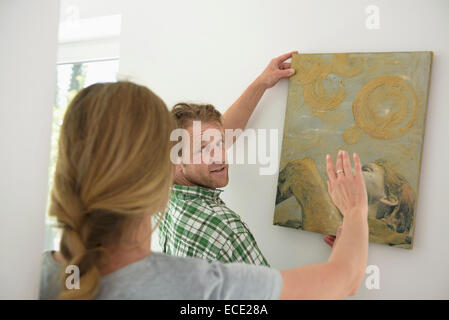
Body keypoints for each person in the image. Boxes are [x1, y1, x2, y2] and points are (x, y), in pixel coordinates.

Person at [40, 80, 368, 300]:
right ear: (170, 165)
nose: (219, 154)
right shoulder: (197, 282)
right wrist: (354, 212)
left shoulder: (41, 274)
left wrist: (261, 84)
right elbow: (344, 279)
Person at [159, 52, 319, 266]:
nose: (220, 157)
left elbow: (217, 131)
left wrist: (261, 83)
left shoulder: (158, 190)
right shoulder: (223, 228)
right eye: (203, 149)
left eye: (220, 143)